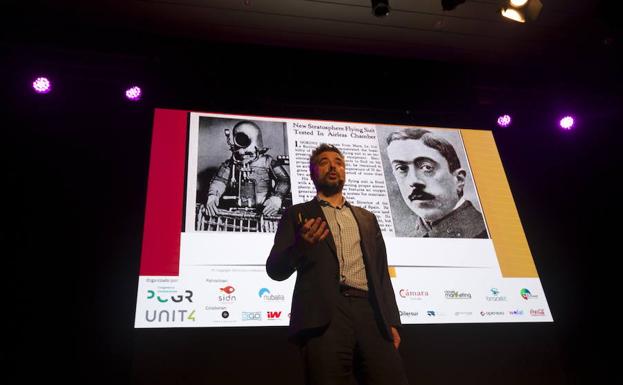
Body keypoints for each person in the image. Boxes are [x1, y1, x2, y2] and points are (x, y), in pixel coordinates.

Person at [266, 144, 409, 385]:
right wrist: (301, 246)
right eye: (324, 162)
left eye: (339, 162)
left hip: (371, 313)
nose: (333, 166)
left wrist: (392, 322)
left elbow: (381, 274)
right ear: (313, 173)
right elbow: (275, 270)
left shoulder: (367, 218)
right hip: (325, 317)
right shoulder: (296, 214)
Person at [385, 128, 488, 238]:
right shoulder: (407, 241)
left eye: (427, 167)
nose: (413, 180)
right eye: (401, 168)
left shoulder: (485, 233)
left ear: (459, 180)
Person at [205, 120, 290, 217]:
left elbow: (284, 180)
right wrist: (213, 196)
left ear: (257, 144)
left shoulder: (267, 161)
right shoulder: (231, 163)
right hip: (236, 212)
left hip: (263, 213)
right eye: (239, 150)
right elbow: (220, 180)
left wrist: (276, 198)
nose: (241, 153)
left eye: (247, 152)